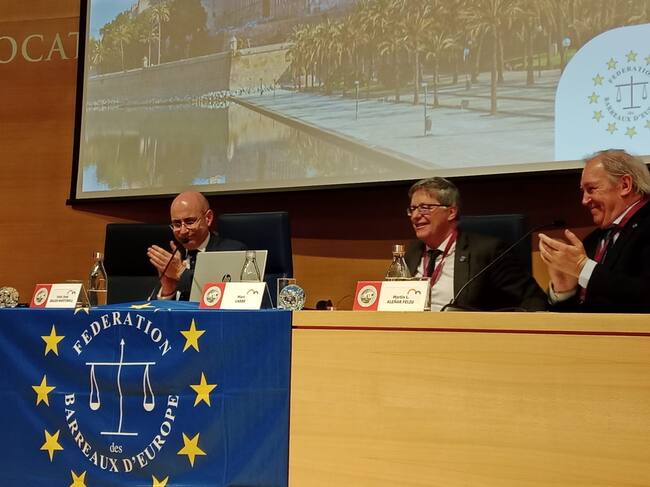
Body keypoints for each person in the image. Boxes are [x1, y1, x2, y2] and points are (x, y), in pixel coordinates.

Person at [404, 177, 547, 311]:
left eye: (424, 208)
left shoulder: (487, 252)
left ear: (451, 212)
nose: (415, 216)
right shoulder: (413, 251)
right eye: (413, 209)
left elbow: (533, 300)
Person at [539, 149, 650, 312]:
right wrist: (565, 290)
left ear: (625, 185)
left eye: (591, 189)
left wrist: (583, 268)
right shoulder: (593, 240)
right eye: (583, 191)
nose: (584, 200)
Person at [147, 191, 246, 300]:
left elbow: (230, 298)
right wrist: (168, 291)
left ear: (208, 218)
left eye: (190, 222)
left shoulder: (232, 252)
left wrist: (181, 273)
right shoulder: (172, 258)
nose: (183, 231)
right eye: (177, 224)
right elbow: (150, 308)